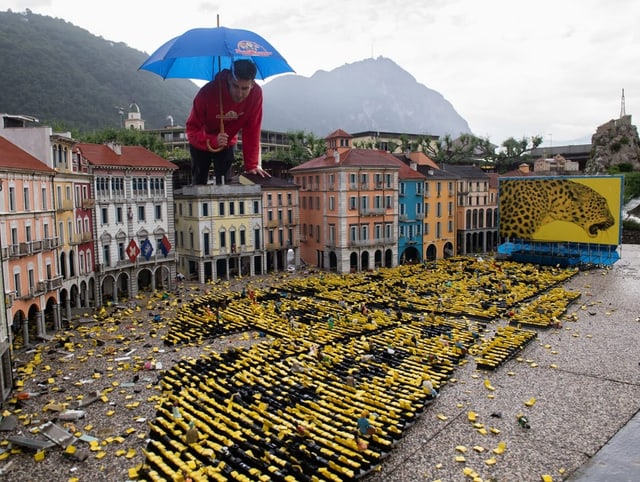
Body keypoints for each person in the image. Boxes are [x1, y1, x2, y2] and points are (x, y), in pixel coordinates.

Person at [186, 59, 270, 185]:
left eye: (245, 88)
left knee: (225, 185)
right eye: (235, 86)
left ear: (252, 84)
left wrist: (252, 165)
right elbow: (192, 131)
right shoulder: (206, 93)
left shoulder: (256, 94)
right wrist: (212, 140)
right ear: (230, 79)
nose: (240, 94)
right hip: (201, 142)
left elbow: (252, 129)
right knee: (199, 183)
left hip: (227, 142)